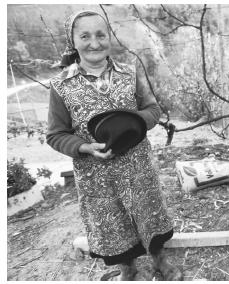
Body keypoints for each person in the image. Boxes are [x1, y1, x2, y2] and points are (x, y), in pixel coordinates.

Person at [46, 10, 181, 281]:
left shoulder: (129, 74)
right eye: (85, 36)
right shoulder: (61, 86)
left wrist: (133, 123)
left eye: (100, 35)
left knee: (149, 212)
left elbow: (153, 109)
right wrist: (85, 147)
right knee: (113, 223)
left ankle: (159, 260)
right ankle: (127, 268)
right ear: (72, 41)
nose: (94, 43)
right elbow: (55, 134)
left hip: (138, 166)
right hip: (97, 174)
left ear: (109, 37)